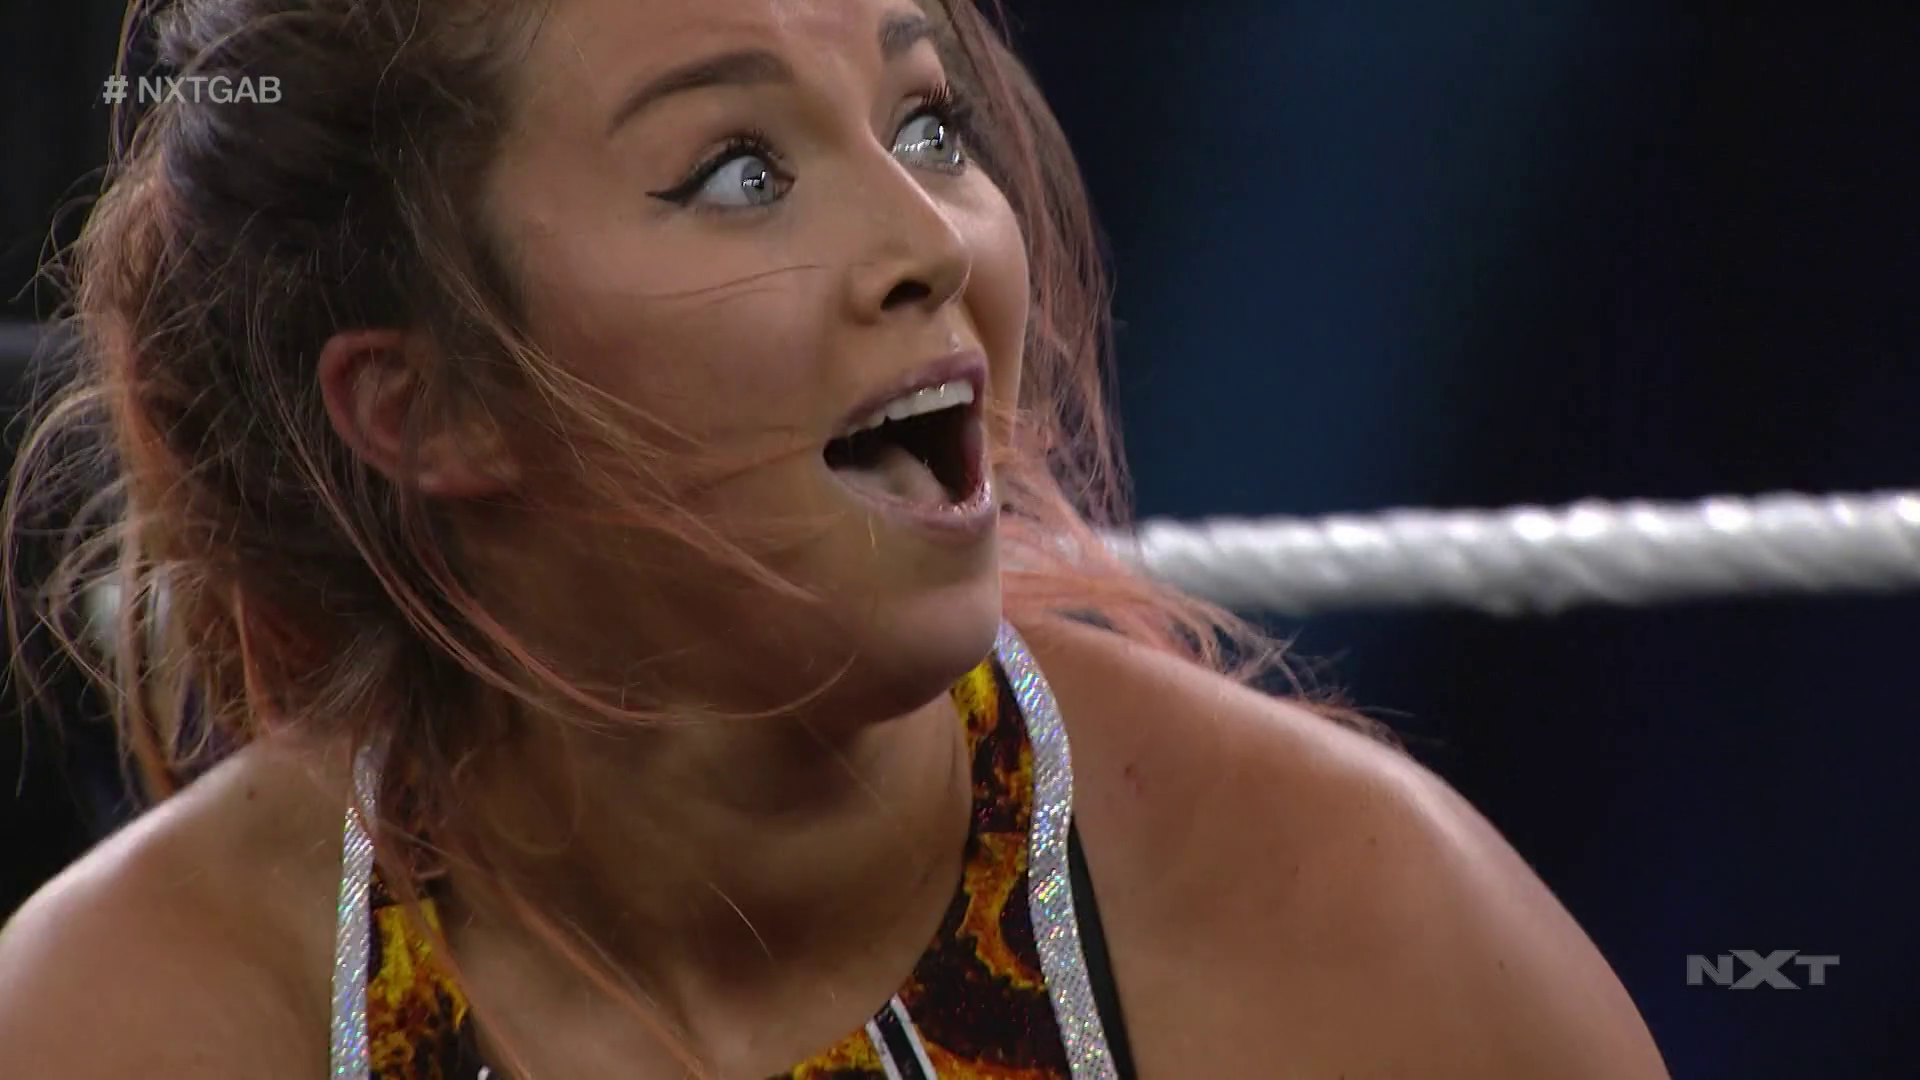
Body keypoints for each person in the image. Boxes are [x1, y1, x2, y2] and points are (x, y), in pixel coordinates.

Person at [0, 0, 1670, 1076]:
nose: (928, 241)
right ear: (422, 405)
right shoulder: (130, 1020)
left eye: (926, 125)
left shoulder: (1339, 929)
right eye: (739, 171)